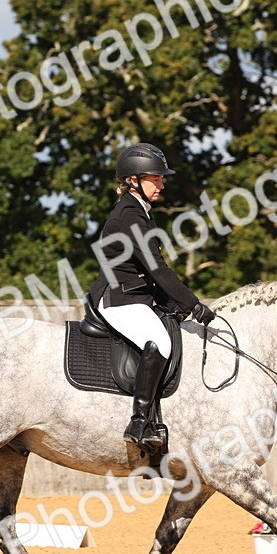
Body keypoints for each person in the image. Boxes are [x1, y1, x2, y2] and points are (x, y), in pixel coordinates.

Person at [88, 143, 215, 450]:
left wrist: (172, 303)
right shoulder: (129, 216)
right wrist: (192, 304)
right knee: (160, 342)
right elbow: (157, 269)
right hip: (118, 298)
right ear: (133, 180)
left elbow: (148, 272)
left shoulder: (140, 214)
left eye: (161, 178)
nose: (162, 183)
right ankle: (139, 423)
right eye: (155, 178)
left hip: (136, 296)